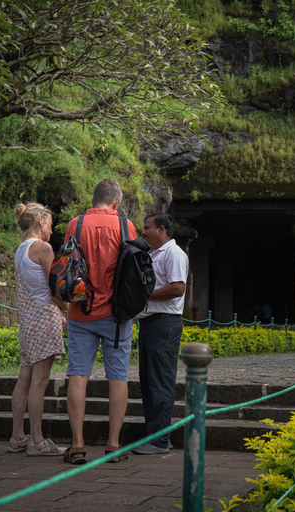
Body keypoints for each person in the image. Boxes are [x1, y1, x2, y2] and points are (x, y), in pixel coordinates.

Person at [63, 179, 137, 464]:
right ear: (116, 202)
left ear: (93, 199)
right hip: (116, 315)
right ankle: (113, 444)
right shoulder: (124, 226)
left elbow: (67, 264)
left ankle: (78, 446)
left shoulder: (75, 224)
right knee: (117, 377)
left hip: (80, 312)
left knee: (78, 375)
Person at [9, 202, 67, 456]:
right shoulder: (43, 248)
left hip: (28, 322)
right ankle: (37, 441)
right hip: (44, 320)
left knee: (25, 378)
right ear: (40, 221)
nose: (51, 231)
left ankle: (17, 436)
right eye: (50, 225)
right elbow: (54, 289)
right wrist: (67, 309)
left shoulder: (20, 250)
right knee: (40, 381)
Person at [132, 212, 189, 455]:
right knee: (149, 382)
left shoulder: (174, 253)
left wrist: (144, 294)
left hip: (164, 324)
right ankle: (154, 435)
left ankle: (160, 440)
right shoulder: (155, 253)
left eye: (147, 228)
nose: (143, 232)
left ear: (162, 230)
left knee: (160, 382)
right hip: (150, 323)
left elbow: (178, 288)